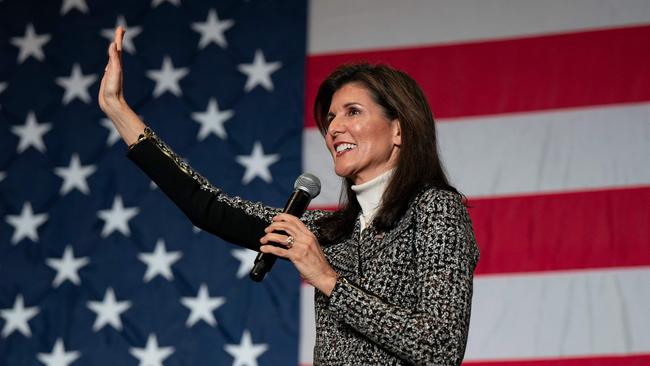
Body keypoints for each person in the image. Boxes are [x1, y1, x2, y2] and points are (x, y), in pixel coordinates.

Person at [99, 27, 479, 366]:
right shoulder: (328, 230)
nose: (335, 128)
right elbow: (209, 207)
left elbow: (440, 348)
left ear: (399, 129)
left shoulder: (435, 208)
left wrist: (329, 280)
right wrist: (118, 111)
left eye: (352, 112)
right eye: (330, 118)